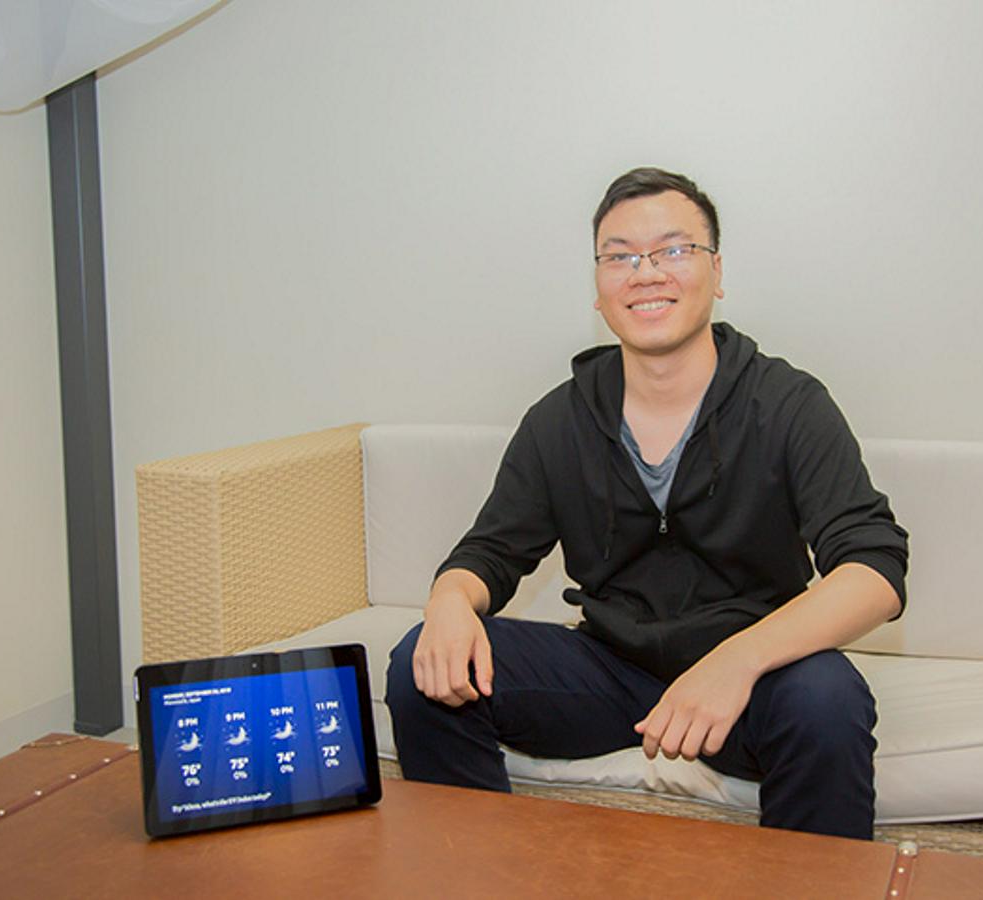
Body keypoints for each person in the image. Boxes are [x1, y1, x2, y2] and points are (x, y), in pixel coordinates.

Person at [385, 167, 908, 840]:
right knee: (423, 664)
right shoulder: (560, 419)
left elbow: (874, 570)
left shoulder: (787, 404)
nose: (647, 273)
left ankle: (809, 884)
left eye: (673, 250)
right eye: (621, 257)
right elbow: (488, 553)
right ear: (599, 287)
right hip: (608, 671)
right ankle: (477, 873)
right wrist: (449, 602)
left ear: (716, 271)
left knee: (828, 699)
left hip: (752, 676)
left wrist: (738, 661)